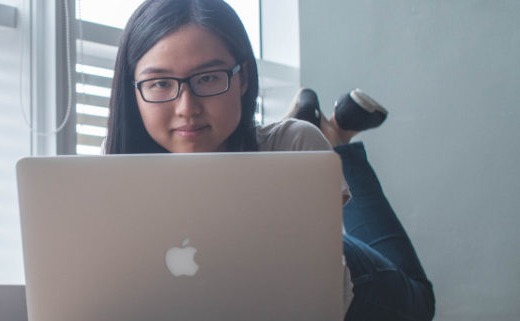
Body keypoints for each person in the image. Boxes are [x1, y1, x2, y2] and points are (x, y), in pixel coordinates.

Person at [102, 0, 435, 320]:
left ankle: (337, 142)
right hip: (288, 210)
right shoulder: (107, 172)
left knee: (421, 299)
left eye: (208, 78)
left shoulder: (296, 144)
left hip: (355, 279)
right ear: (133, 91)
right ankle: (335, 134)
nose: (187, 108)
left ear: (243, 78)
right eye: (160, 83)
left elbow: (321, 301)